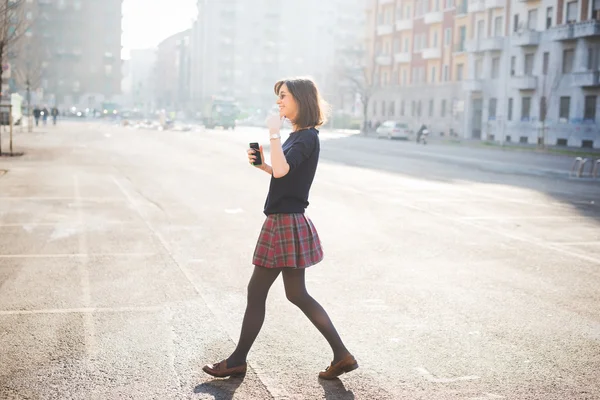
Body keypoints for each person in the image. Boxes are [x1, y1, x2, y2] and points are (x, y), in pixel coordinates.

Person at [202, 77, 357, 380]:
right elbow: (283, 172)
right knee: (296, 294)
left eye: (284, 96)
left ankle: (236, 360)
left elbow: (285, 169)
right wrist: (264, 166)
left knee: (257, 291)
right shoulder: (299, 137)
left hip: (284, 222)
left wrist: (273, 133)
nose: (279, 102)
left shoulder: (306, 137)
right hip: (287, 219)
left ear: (301, 99)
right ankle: (342, 355)